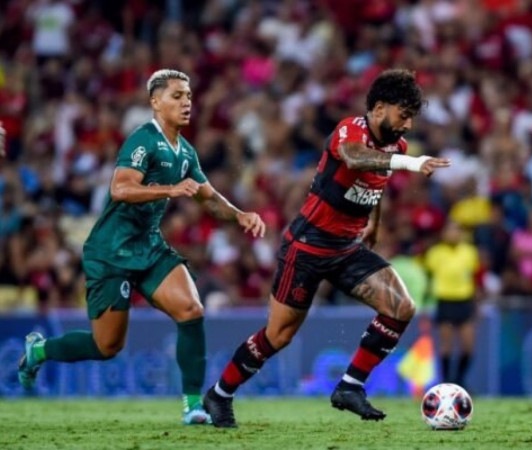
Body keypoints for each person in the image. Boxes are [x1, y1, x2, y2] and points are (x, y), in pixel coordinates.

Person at [202, 69, 451, 428]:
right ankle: (219, 394)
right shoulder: (351, 130)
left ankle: (350, 386)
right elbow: (354, 158)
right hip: (307, 245)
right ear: (379, 108)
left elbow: (375, 179)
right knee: (279, 335)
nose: (408, 125)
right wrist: (412, 163)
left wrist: (374, 224)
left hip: (347, 247)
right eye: (404, 114)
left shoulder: (395, 146)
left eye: (412, 117)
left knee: (400, 307)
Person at [17, 69, 266, 425]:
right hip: (111, 251)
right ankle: (38, 350)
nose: (186, 103)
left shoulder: (185, 152)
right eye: (177, 96)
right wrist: (169, 190)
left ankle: (193, 405)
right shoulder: (143, 140)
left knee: (191, 310)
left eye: (189, 96)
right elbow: (121, 188)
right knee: (106, 346)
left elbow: (208, 198)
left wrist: (240, 215)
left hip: (148, 247)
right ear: (155, 102)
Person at [423, 221, 480, 387]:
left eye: (457, 231)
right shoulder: (435, 253)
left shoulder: (470, 252)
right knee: (446, 345)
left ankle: (460, 380)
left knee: (468, 345)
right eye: (450, 231)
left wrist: (476, 303)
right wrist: (426, 304)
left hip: (464, 300)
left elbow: (475, 278)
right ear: (443, 234)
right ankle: (447, 381)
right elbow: (429, 279)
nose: (453, 234)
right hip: (445, 300)